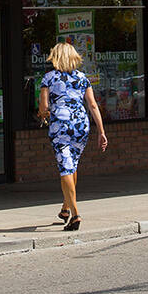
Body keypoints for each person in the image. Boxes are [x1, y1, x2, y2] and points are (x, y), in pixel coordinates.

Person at [37, 41, 107, 231]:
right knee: (72, 164)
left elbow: (43, 107)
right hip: (81, 125)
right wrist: (101, 131)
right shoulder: (82, 77)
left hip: (60, 125)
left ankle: (75, 215)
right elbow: (92, 105)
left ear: (55, 57)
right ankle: (66, 207)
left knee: (65, 168)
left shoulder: (48, 78)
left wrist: (44, 115)